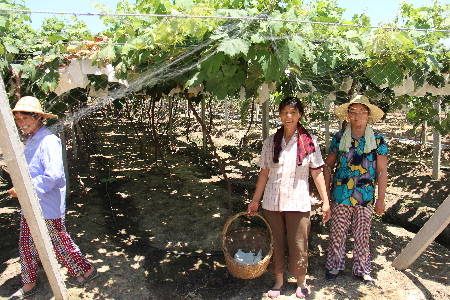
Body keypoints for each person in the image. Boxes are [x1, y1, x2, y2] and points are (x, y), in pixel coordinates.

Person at [7, 96, 97, 299]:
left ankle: (86, 271)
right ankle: (29, 284)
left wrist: (24, 189)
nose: (22, 124)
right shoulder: (31, 139)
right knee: (27, 244)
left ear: (38, 117)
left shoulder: (48, 141)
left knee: (59, 242)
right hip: (32, 203)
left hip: (46, 204)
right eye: (18, 120)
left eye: (26, 119)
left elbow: (54, 175)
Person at [247, 97, 330, 298]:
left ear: (300, 114)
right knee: (275, 241)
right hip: (272, 201)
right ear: (280, 115)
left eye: (293, 112)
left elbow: (317, 172)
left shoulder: (309, 142)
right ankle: (278, 280)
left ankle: (300, 281)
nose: (289, 116)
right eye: (285, 112)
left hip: (298, 201)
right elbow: (264, 173)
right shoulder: (270, 142)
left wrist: (325, 201)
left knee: (299, 242)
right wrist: (255, 200)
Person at [323, 95, 388, 286]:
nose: (357, 115)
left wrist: (381, 199)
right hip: (340, 194)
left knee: (363, 233)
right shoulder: (339, 137)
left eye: (362, 111)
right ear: (348, 116)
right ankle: (335, 265)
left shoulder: (377, 139)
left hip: (365, 195)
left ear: (368, 115)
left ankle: (362, 269)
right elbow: (328, 166)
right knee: (337, 231)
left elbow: (382, 171)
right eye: (353, 112)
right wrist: (326, 194)